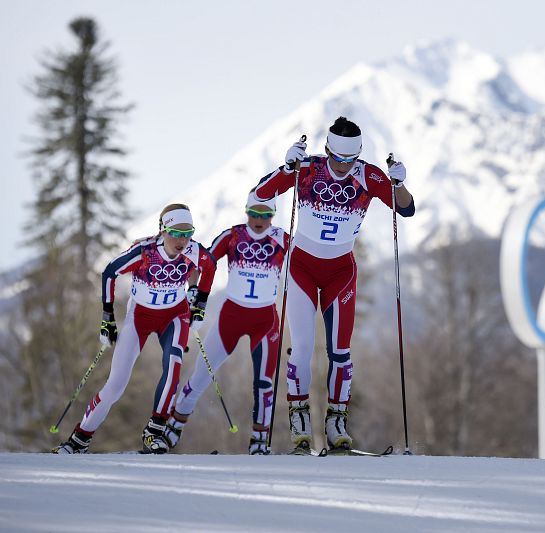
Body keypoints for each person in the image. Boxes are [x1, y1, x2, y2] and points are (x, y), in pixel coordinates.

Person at [252, 116, 415, 452]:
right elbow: (261, 195)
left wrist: (399, 184)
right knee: (302, 347)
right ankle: (299, 418)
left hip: (340, 273)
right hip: (302, 269)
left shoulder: (368, 175)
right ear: (327, 150)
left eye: (350, 159)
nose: (343, 166)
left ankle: (336, 421)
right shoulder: (308, 168)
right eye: (338, 159)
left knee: (340, 351)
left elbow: (406, 209)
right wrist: (287, 168)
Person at [53, 204, 217, 454]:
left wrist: (199, 302)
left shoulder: (194, 251)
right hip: (140, 317)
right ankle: (79, 440)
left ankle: (154, 432)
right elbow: (110, 272)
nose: (182, 240)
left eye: (187, 233)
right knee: (116, 385)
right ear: (163, 230)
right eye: (176, 233)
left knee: (173, 368)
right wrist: (107, 317)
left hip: (175, 316)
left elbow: (210, 266)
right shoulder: (144, 252)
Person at [164, 193, 289, 455]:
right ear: (246, 211)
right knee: (201, 374)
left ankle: (259, 440)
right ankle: (174, 423)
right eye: (253, 213)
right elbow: (201, 262)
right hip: (231, 318)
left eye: (265, 215)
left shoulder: (282, 238)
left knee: (264, 382)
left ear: (273, 216)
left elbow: (306, 262)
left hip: (265, 320)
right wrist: (193, 289)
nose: (258, 220)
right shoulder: (232, 236)